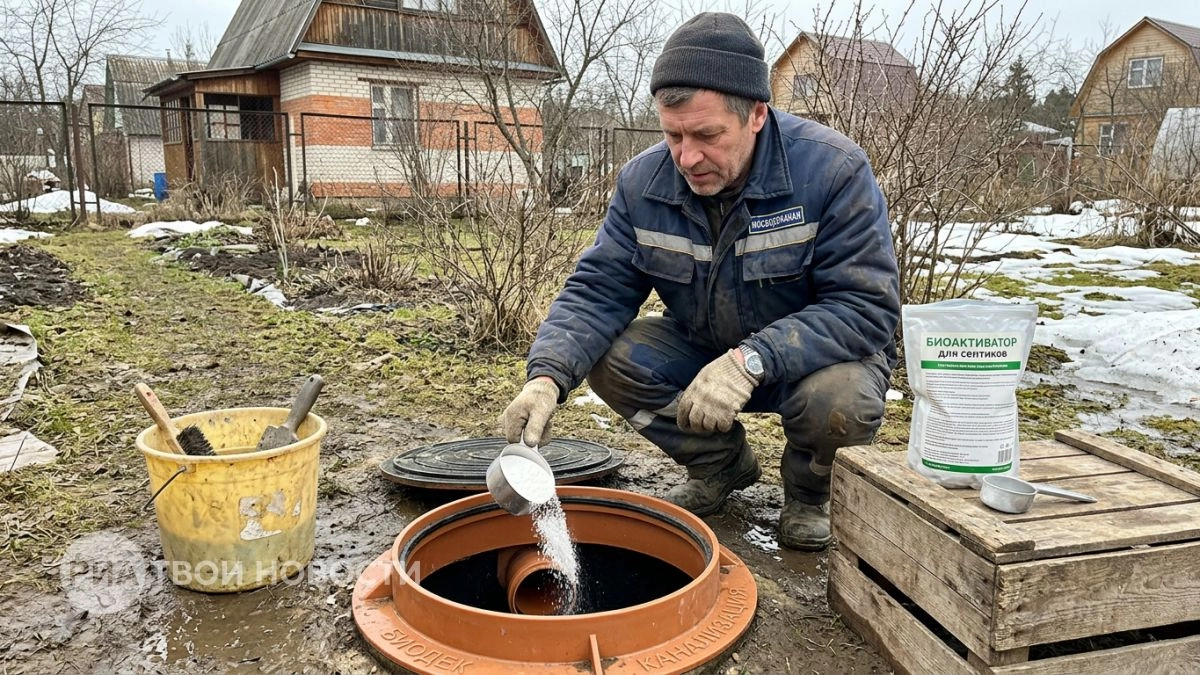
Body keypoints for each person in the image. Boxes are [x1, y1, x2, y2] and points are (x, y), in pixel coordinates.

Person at [501, 12, 899, 551]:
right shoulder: (644, 183)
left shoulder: (833, 171)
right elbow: (599, 290)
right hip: (704, 352)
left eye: (707, 135)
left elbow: (866, 307)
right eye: (673, 135)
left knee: (841, 398)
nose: (687, 157)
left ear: (757, 114)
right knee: (612, 358)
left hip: (815, 361)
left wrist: (751, 360)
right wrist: (546, 377)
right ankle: (721, 466)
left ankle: (810, 493)